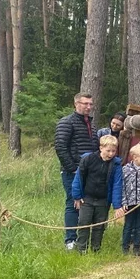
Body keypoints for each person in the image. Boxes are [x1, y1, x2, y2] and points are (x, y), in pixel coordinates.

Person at [55, 92, 100, 250]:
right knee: (72, 203)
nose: (88, 107)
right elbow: (60, 147)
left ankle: (84, 239)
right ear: (76, 104)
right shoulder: (66, 122)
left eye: (90, 104)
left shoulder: (91, 125)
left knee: (87, 204)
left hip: (89, 173)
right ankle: (70, 240)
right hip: (72, 172)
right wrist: (73, 169)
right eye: (85, 103)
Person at [71, 134, 124, 253]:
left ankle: (96, 249)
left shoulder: (116, 165)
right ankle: (81, 249)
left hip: (103, 199)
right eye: (108, 151)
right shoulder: (88, 159)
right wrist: (77, 196)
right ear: (101, 148)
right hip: (87, 198)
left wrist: (117, 206)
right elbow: (78, 178)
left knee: (99, 226)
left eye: (113, 151)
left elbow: (117, 185)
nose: (111, 154)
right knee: (84, 223)